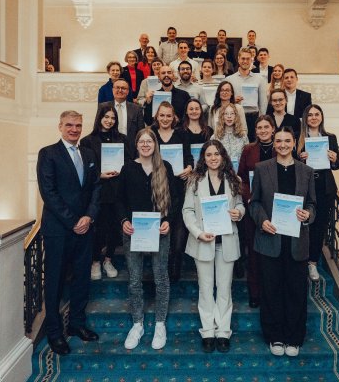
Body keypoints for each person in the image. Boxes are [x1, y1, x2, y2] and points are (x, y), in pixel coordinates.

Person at [36, 111, 101, 355]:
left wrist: (89, 217)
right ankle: (54, 332)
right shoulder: (48, 153)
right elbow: (48, 192)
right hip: (58, 230)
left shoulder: (88, 153)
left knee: (82, 278)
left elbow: (96, 188)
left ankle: (76, 325)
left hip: (85, 228)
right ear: (60, 126)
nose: (74, 129)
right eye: (69, 125)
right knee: (54, 281)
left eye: (78, 125)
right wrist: (73, 220)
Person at [250, 127, 316, 357]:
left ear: (294, 142)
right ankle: (275, 336)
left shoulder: (306, 171)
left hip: (297, 243)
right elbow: (254, 202)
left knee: (296, 292)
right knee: (271, 291)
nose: (283, 144)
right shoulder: (261, 169)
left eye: (287, 140)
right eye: (279, 141)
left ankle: (294, 338)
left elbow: (312, 204)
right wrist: (263, 221)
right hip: (270, 240)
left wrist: (308, 215)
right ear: (274, 143)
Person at [116, 128, 179, 351]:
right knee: (134, 280)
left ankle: (160, 324)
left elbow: (175, 199)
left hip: (160, 231)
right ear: (136, 144)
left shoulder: (165, 167)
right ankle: (137, 324)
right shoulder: (128, 168)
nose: (145, 145)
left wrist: (169, 220)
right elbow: (119, 199)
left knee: (161, 277)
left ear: (155, 144)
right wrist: (123, 219)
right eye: (141, 141)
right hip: (133, 232)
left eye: (149, 141)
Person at [183, 140, 245, 353]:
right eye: (208, 154)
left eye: (217, 154)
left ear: (223, 156)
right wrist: (199, 233)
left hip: (226, 241)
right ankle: (208, 330)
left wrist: (239, 212)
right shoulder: (194, 181)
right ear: (203, 157)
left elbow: (239, 204)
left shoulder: (233, 179)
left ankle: (223, 331)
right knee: (206, 288)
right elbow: (187, 211)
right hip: (204, 241)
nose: (213, 158)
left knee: (225, 288)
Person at [80, 105, 130, 280]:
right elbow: (83, 168)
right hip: (98, 191)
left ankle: (108, 259)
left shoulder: (123, 139)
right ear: (99, 118)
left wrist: (122, 172)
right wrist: (99, 174)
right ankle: (95, 261)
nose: (109, 121)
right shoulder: (87, 141)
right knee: (99, 229)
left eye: (113, 118)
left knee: (115, 229)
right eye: (106, 117)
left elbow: (129, 163)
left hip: (117, 190)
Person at [297, 104, 339, 281]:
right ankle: (300, 259)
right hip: (305, 186)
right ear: (305, 118)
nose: (314, 117)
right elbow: (290, 162)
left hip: (324, 187)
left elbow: (338, 166)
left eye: (317, 114)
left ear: (321, 117)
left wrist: (334, 159)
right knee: (303, 224)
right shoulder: (299, 137)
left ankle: (313, 263)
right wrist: (300, 160)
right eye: (310, 115)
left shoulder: (330, 137)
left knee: (319, 226)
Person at [237, 115, 277, 308]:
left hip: (276, 208)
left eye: (266, 127)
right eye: (259, 128)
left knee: (274, 251)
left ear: (273, 129)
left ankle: (272, 292)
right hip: (253, 206)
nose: (262, 131)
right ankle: (255, 292)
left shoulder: (282, 148)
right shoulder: (248, 150)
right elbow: (241, 178)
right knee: (253, 251)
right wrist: (247, 196)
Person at [152, 101, 193, 282]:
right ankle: (159, 268)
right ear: (157, 116)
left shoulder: (182, 134)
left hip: (178, 185)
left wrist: (189, 167)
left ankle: (175, 264)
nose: (165, 119)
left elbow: (189, 157)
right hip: (157, 186)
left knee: (178, 226)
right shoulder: (151, 134)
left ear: (174, 117)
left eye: (169, 115)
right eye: (162, 115)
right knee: (161, 225)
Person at [226, 48, 268, 141]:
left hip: (254, 118)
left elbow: (263, 103)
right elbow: (224, 102)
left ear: (251, 60)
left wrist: (262, 121)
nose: (245, 61)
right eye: (243, 58)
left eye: (248, 59)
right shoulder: (229, 80)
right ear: (238, 59)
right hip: (236, 118)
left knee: (253, 147)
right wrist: (233, 101)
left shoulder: (259, 79)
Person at [97, 78, 144, 159]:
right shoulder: (103, 106)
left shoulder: (136, 109)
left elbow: (141, 132)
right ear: (112, 90)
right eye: (117, 87)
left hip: (130, 151)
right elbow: (97, 127)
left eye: (123, 88)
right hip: (109, 150)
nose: (120, 90)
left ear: (128, 91)